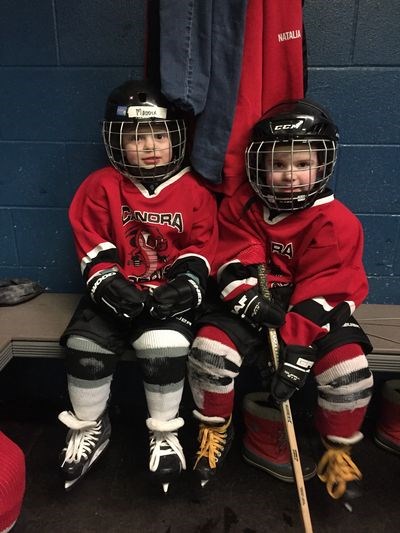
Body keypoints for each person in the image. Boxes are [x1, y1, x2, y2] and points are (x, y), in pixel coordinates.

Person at [187, 99, 374, 504]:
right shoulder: (243, 206)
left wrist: (296, 348)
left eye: (302, 164)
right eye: (279, 165)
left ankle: (337, 452)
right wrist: (246, 300)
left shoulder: (337, 221)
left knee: (350, 371)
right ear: (259, 166)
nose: (291, 176)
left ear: (321, 165)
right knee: (209, 352)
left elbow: (331, 288)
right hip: (252, 305)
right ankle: (214, 428)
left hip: (309, 315)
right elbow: (229, 258)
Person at [57, 79, 218, 493]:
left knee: (162, 345)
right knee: (85, 346)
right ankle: (90, 426)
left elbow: (201, 247)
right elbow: (92, 242)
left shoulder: (194, 192)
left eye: (159, 135)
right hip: (116, 292)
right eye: (136, 137)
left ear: (175, 137)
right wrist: (109, 284)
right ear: (116, 141)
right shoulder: (100, 186)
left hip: (165, 295)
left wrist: (185, 286)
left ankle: (165, 433)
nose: (150, 146)